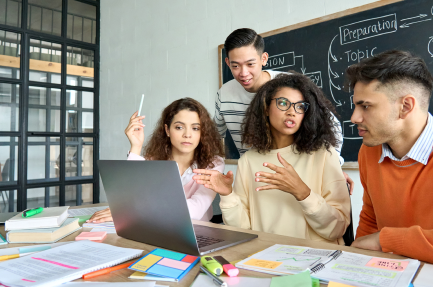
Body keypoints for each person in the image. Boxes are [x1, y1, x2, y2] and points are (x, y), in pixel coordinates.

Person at [194, 73, 351, 244]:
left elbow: (337, 228)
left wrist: (302, 192)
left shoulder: (324, 154)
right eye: (283, 103)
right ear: (266, 108)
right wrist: (227, 194)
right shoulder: (248, 160)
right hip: (264, 258)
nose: (292, 111)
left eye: (300, 106)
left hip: (313, 261)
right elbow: (242, 229)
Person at [347, 50, 433, 266]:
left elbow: (379, 238)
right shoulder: (369, 151)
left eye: (365, 106)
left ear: (405, 106)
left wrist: (386, 240)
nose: (354, 117)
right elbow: (371, 218)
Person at [214, 28, 354, 192]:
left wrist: (332, 166)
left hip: (297, 177)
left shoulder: (289, 86)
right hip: (254, 178)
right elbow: (215, 136)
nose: (243, 73)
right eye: (235, 65)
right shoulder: (224, 94)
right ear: (227, 63)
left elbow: (333, 127)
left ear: (263, 58)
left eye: (250, 64)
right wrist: (215, 170)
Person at [88, 98, 225, 223]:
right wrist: (136, 147)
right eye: (179, 127)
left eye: (195, 128)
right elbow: (129, 197)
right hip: (154, 226)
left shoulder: (214, 164)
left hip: (198, 234)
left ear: (202, 132)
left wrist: (133, 211)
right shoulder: (152, 160)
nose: (187, 135)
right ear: (167, 130)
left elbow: (195, 211)